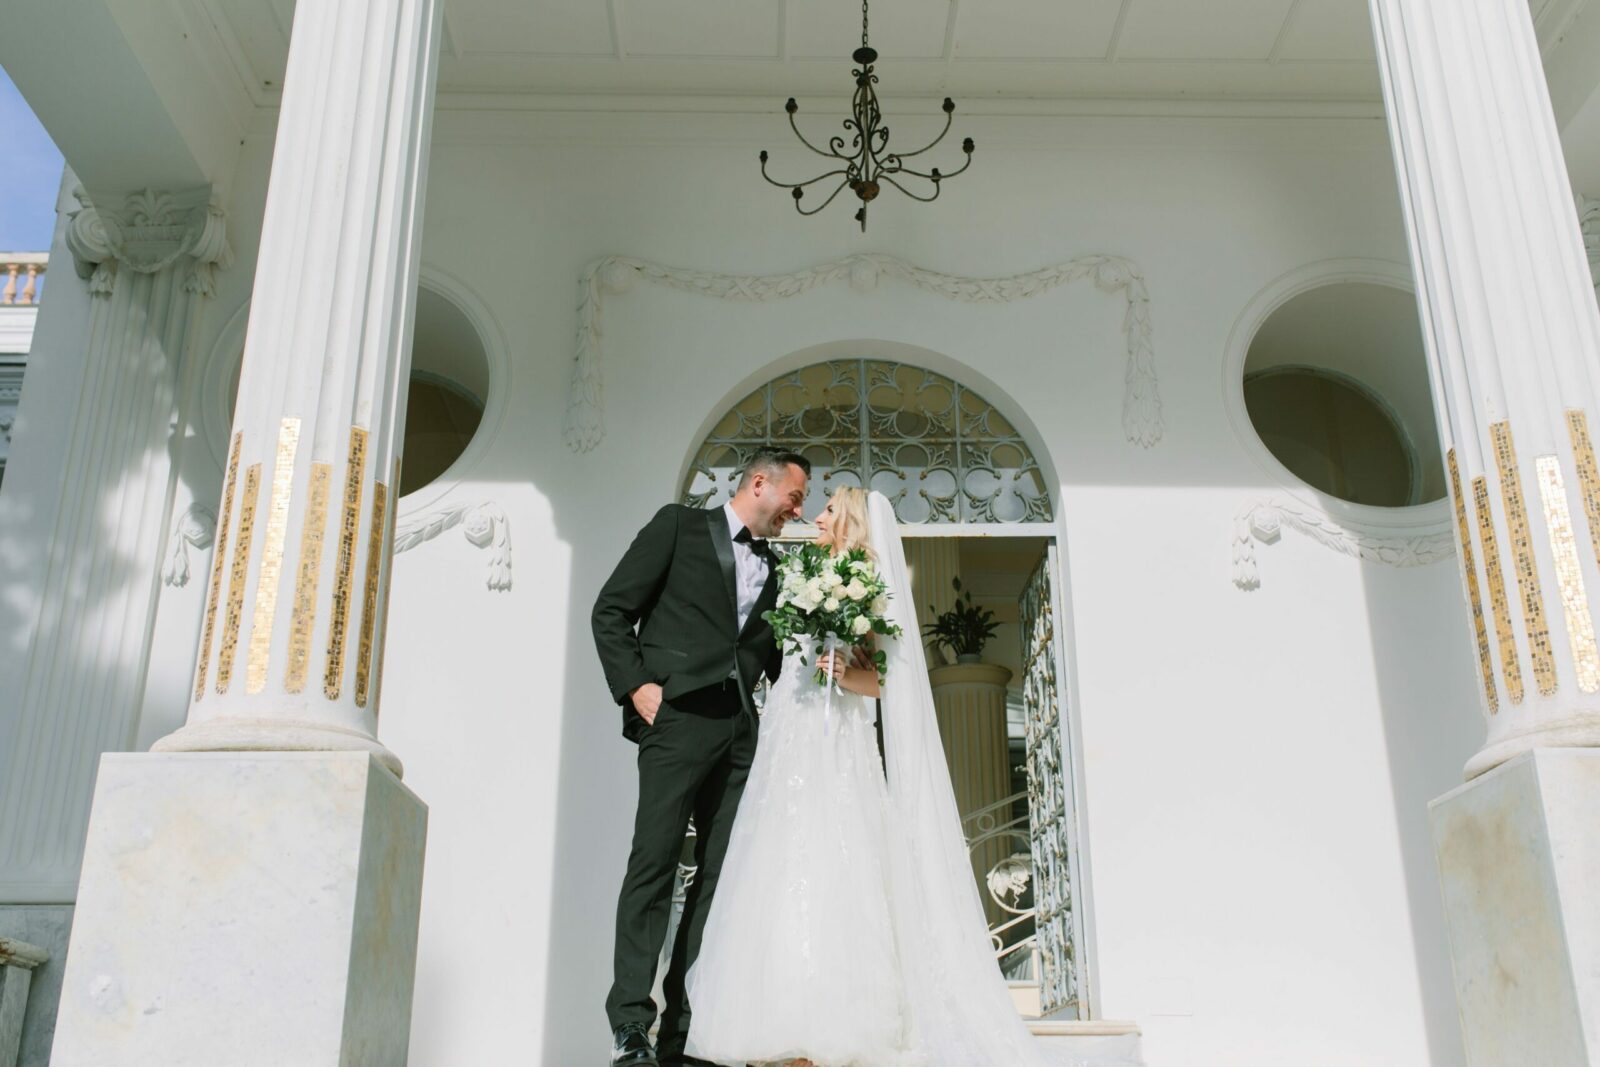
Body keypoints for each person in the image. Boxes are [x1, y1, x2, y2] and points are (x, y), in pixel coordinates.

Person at [684, 487, 1080, 1067]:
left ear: (846, 520)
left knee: (836, 863)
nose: (815, 517)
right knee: (779, 864)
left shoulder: (868, 587)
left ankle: (833, 1020)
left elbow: (892, 683)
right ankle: (774, 1016)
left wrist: (846, 675)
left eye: (825, 510)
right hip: (787, 747)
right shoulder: (800, 578)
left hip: (838, 748)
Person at [591, 449, 810, 1067]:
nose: (800, 509)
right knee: (654, 865)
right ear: (759, 483)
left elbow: (775, 659)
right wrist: (637, 687)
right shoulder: (678, 526)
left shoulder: (775, 568)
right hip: (678, 718)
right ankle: (631, 1025)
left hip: (742, 733)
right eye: (794, 496)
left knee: (720, 879)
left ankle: (683, 1032)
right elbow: (610, 610)